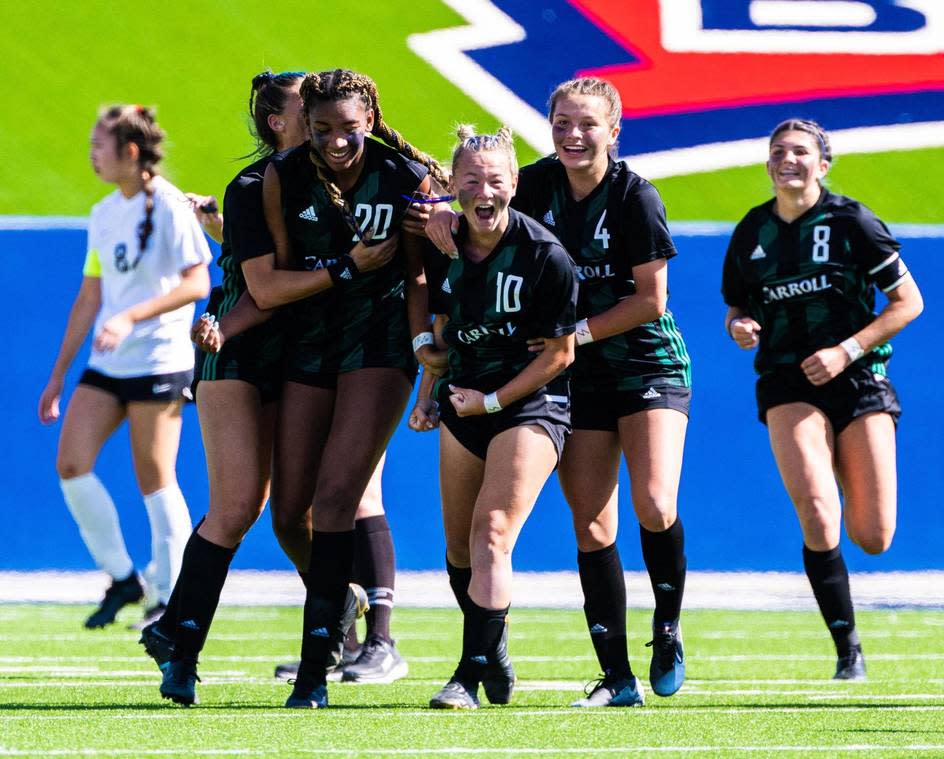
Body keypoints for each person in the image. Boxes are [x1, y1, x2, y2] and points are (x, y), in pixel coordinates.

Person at [425, 77, 692, 706]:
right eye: (563, 123)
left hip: (643, 363)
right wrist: (439, 207)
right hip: (573, 374)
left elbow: (651, 301)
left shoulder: (635, 197)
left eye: (588, 124)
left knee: (654, 503)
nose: (574, 135)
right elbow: (473, 192)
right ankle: (617, 677)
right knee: (593, 523)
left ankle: (668, 624)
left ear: (613, 131)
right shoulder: (535, 182)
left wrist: (567, 333)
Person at [204, 68, 448, 709]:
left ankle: (319, 673)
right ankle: (339, 634)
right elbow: (275, 277)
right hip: (307, 346)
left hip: (379, 347)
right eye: (322, 130)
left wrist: (427, 364)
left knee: (340, 497)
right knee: (289, 513)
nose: (337, 142)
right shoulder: (282, 179)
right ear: (300, 127)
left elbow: (422, 280)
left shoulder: (401, 179)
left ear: (370, 117)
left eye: (348, 128)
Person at [721, 118, 923, 681]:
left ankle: (848, 458)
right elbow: (738, 308)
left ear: (822, 165)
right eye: (778, 150)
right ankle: (847, 648)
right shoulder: (751, 233)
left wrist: (846, 350)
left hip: (859, 380)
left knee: (874, 536)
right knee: (816, 508)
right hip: (787, 381)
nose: (788, 159)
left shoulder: (852, 222)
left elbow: (908, 302)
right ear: (767, 164)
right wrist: (741, 326)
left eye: (800, 151)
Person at [419, 124, 577, 710]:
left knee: (492, 533)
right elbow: (438, 325)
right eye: (470, 181)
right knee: (459, 549)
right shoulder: (444, 245)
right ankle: (496, 650)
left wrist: (493, 401)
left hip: (529, 404)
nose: (484, 191)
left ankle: (468, 671)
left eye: (495, 180)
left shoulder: (544, 254)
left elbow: (561, 354)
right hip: (464, 400)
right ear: (452, 186)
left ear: (515, 182)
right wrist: (426, 389)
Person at [37, 105, 210, 631]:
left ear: (130, 153)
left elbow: (197, 283)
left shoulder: (173, 208)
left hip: (161, 360)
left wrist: (131, 315)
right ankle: (122, 577)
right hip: (108, 364)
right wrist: (58, 374)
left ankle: (169, 600)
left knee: (155, 479)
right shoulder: (103, 213)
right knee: (71, 463)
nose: (92, 154)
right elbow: (90, 296)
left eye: (99, 145)